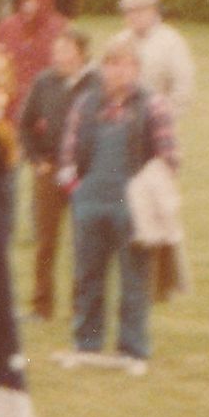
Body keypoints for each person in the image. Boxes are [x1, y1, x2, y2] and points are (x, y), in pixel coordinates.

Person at [58, 32, 178, 374]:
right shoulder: (86, 104)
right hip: (90, 204)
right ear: (103, 68)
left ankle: (133, 348)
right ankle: (86, 343)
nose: (117, 71)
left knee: (134, 281)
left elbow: (170, 159)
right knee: (87, 277)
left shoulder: (153, 106)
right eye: (110, 64)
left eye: (124, 65)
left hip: (134, 209)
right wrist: (76, 190)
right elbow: (68, 154)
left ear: (136, 68)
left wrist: (147, 194)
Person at [16, 28, 97, 321]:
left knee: (83, 243)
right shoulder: (45, 81)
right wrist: (37, 160)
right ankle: (41, 306)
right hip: (49, 170)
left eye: (65, 50)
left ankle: (81, 308)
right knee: (45, 242)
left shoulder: (97, 83)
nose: (58, 56)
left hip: (84, 174)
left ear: (81, 53)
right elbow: (24, 124)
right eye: (56, 50)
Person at [0, 0, 67, 124]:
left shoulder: (60, 29)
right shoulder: (7, 26)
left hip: (42, 104)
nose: (29, 4)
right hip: (6, 103)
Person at [119, 0, 195, 124]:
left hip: (157, 118)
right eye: (129, 11)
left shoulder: (171, 41)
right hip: (121, 118)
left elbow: (183, 84)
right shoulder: (119, 40)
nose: (133, 16)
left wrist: (166, 115)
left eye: (140, 11)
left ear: (154, 12)